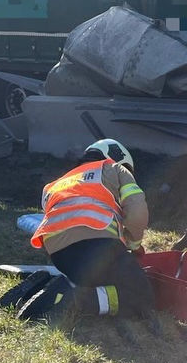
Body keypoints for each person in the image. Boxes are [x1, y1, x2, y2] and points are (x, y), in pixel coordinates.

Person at [23, 138, 154, 324]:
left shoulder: (55, 184)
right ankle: (77, 300)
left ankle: (49, 289)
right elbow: (137, 211)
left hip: (59, 255)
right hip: (97, 244)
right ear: (118, 157)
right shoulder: (115, 169)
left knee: (99, 281)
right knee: (141, 295)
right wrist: (133, 244)